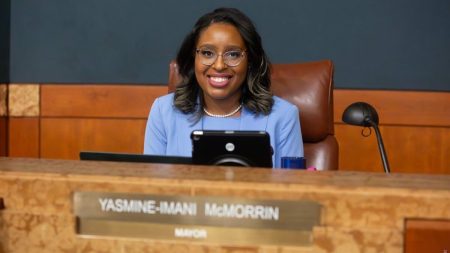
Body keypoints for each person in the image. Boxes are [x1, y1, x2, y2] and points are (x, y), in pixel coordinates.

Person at [144, 7, 303, 168]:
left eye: (233, 54)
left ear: (250, 61)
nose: (219, 65)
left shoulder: (283, 117)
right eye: (207, 53)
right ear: (194, 57)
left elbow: (293, 191)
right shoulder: (163, 112)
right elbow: (151, 187)